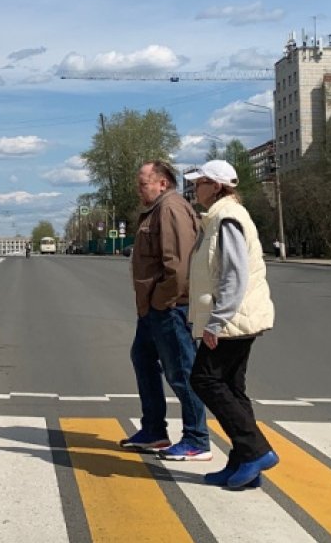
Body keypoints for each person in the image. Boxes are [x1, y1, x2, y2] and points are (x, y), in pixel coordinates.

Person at [185, 160, 278, 489]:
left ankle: (255, 452)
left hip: (230, 318)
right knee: (232, 387)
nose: (195, 188)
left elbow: (234, 275)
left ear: (216, 186)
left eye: (199, 183)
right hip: (235, 316)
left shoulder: (227, 219)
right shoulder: (218, 218)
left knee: (205, 380)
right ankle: (243, 463)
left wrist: (216, 322)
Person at [120, 160, 211, 461]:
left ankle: (197, 439)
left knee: (181, 371)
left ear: (162, 183)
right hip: (153, 308)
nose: (139, 189)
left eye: (143, 183)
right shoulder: (157, 209)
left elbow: (179, 265)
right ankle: (154, 430)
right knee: (142, 358)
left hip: (171, 307)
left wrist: (162, 300)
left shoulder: (171, 209)